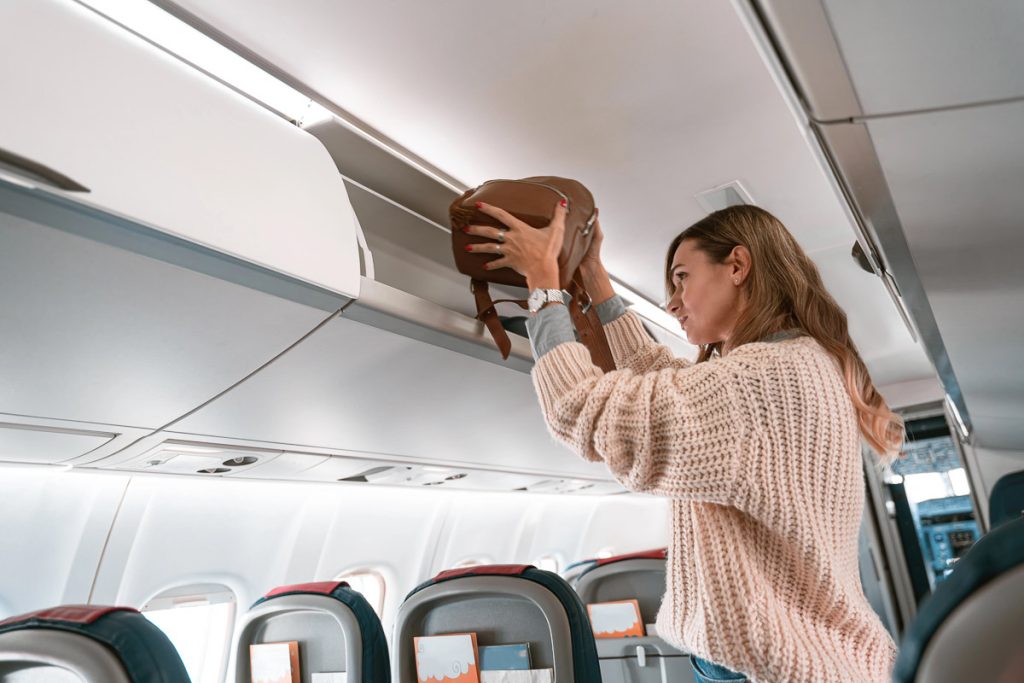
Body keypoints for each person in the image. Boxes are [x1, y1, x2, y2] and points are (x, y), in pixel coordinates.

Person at [462, 200, 903, 682]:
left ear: (737, 266)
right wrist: (594, 279)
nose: (672, 301)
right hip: (789, 661)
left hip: (767, 668)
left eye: (681, 277)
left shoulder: (764, 378)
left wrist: (543, 289)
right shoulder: (792, 364)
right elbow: (664, 380)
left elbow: (586, 412)